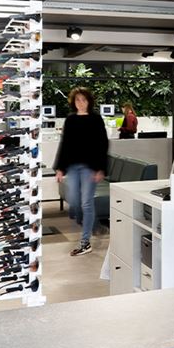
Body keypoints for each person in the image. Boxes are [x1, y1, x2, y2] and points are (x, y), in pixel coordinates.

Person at [54, 87, 109, 256]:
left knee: (86, 203)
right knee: (74, 201)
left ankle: (85, 242)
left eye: (84, 99)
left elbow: (103, 144)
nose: (81, 103)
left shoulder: (96, 119)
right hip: (72, 167)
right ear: (73, 102)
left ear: (89, 101)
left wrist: (101, 168)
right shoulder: (70, 120)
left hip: (89, 168)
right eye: (77, 100)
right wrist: (60, 168)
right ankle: (96, 226)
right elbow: (65, 144)